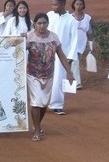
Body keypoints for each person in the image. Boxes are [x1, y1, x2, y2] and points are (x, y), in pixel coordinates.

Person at [25, 13, 74, 141]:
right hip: (33, 74)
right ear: (34, 24)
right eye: (39, 23)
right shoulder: (29, 37)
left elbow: (61, 55)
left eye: (44, 23)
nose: (42, 26)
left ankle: (38, 124)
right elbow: (18, 51)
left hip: (48, 74)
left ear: (48, 23)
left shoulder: (53, 37)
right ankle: (37, 131)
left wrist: (69, 72)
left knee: (44, 103)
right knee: (36, 102)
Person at [47, 0, 77, 115]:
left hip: (62, 55)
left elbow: (74, 39)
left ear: (63, 5)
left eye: (56, 5)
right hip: (47, 52)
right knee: (46, 78)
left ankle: (57, 105)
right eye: (52, 4)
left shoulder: (71, 20)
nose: (53, 7)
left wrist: (70, 57)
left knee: (59, 79)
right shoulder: (49, 15)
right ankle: (43, 103)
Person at [71, 0, 94, 89]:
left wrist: (91, 43)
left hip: (81, 44)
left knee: (74, 62)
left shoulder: (87, 18)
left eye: (80, 4)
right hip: (71, 43)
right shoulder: (69, 17)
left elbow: (89, 32)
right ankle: (77, 83)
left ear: (83, 6)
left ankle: (70, 81)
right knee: (74, 61)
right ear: (73, 5)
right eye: (77, 4)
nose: (79, 6)